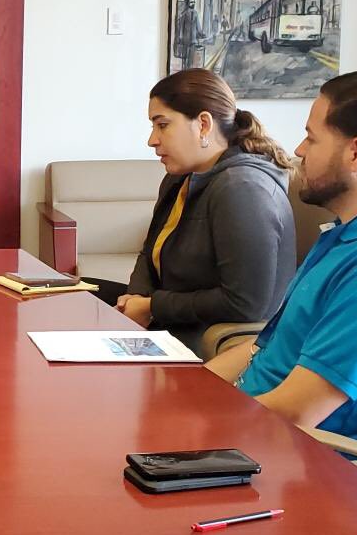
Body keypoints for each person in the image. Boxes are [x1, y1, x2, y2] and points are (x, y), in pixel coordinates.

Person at [207, 71, 357, 443]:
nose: (299, 149)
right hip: (249, 432)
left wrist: (203, 425)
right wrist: (188, 391)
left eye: (312, 138)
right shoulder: (341, 235)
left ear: (356, 153)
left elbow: (298, 412)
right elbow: (261, 347)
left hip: (292, 462)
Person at [115, 68, 296, 354]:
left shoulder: (243, 188)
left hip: (201, 338)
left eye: (162, 125)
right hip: (168, 321)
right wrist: (135, 297)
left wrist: (151, 306)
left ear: (203, 124)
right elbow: (149, 251)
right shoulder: (179, 177)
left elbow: (246, 303)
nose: (152, 139)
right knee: (66, 303)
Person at [174, 0, 205, 70]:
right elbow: (181, 26)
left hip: (193, 40)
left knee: (191, 57)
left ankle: (189, 70)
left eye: (194, 2)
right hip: (185, 39)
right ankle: (184, 69)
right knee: (185, 57)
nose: (193, 3)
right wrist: (180, 37)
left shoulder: (195, 14)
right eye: (191, 2)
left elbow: (198, 26)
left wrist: (201, 34)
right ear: (188, 3)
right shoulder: (184, 14)